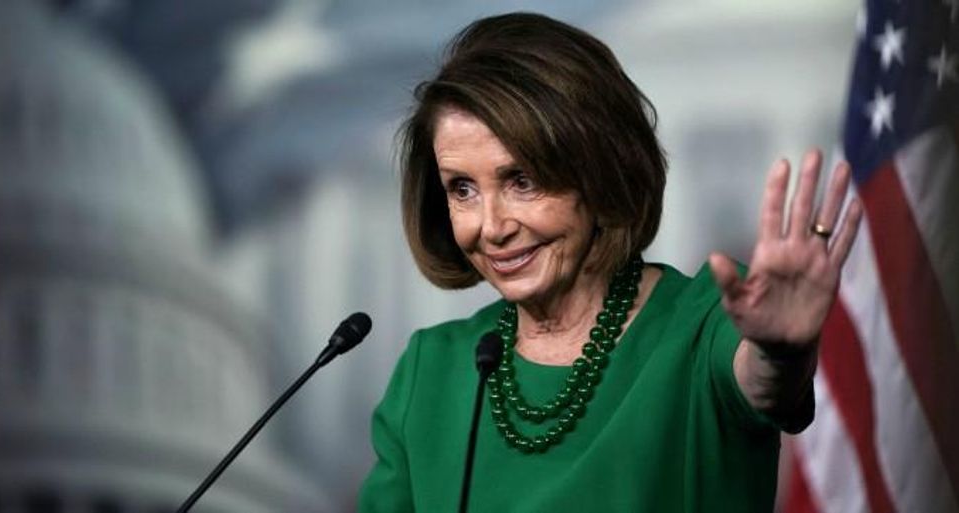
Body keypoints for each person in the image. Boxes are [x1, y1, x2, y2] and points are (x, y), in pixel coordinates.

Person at [358, 12, 861, 513]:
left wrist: (782, 353)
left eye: (522, 181)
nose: (491, 227)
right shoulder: (431, 370)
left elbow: (765, 381)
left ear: (599, 171)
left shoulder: (705, 324)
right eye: (462, 189)